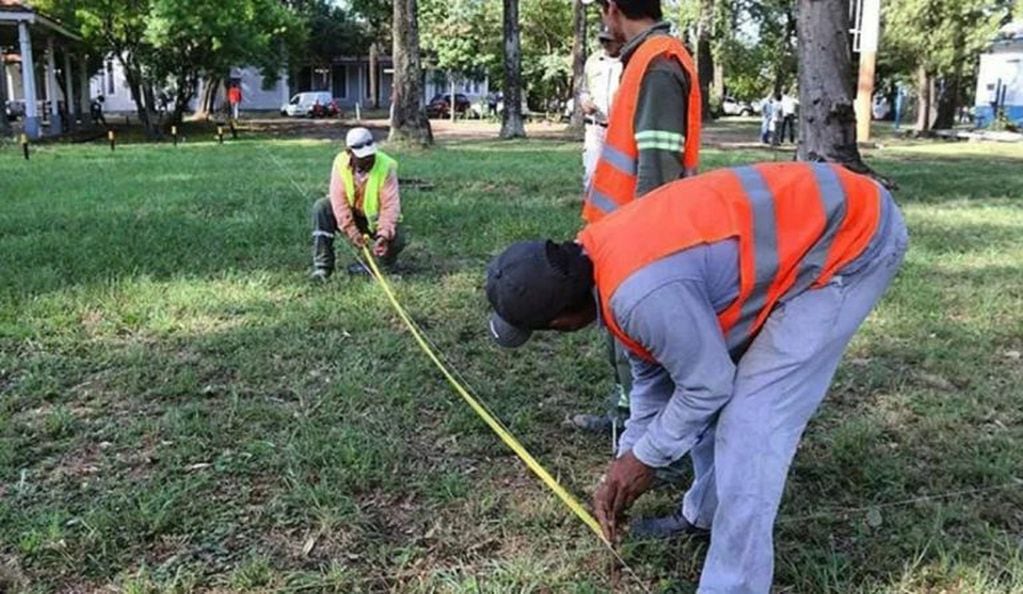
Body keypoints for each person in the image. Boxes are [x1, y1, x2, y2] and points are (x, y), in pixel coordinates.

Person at [485, 162, 908, 594]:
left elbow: (708, 385)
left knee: (752, 423)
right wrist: (627, 459)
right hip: (817, 227)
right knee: (708, 390)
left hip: (852, 239)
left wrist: (647, 459)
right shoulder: (597, 262)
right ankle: (703, 516)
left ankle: (733, 586)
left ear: (560, 322)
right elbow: (656, 382)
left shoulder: (640, 294)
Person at [572, 0, 703, 436]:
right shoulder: (644, 59)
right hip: (620, 234)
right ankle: (628, 418)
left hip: (637, 241)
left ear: (613, 7)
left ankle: (652, 436)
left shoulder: (660, 63)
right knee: (623, 343)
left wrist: (641, 250)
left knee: (642, 348)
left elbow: (658, 166)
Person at [310, 127, 406, 280]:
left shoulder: (386, 166)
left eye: (370, 154)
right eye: (362, 156)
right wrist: (352, 231)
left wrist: (383, 235)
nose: (368, 159)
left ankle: (383, 266)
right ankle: (322, 268)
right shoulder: (340, 162)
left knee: (398, 237)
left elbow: (390, 206)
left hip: (374, 221)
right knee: (321, 207)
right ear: (349, 153)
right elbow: (339, 201)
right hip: (351, 215)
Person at [580, 31, 623, 191]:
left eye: (609, 40)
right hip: (595, 126)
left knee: (618, 175)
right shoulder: (593, 61)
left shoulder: (629, 61)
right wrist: (584, 101)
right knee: (591, 172)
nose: (606, 44)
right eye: (603, 40)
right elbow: (584, 90)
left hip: (620, 129)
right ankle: (591, 211)